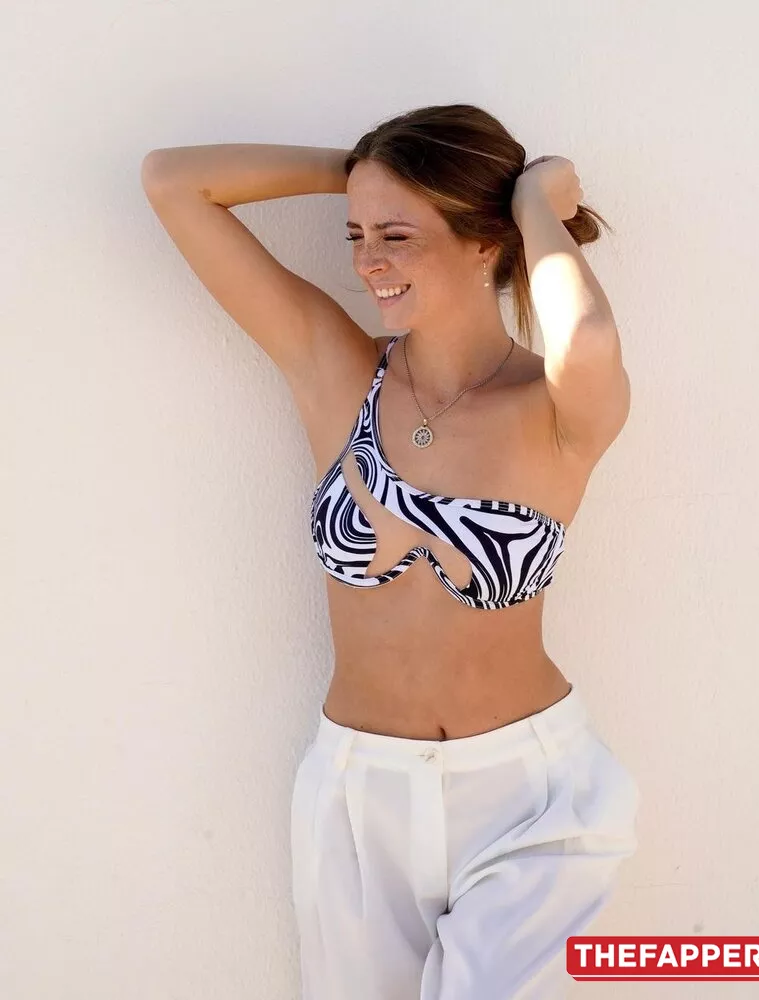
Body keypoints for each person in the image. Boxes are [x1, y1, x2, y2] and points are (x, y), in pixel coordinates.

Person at [141, 102, 638, 1000]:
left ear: (483, 241)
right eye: (356, 234)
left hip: (529, 798)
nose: (366, 260)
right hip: (356, 795)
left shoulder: (556, 406)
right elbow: (175, 182)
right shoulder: (337, 371)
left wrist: (530, 201)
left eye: (397, 235)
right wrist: (368, 170)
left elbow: (590, 335)